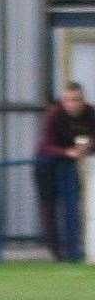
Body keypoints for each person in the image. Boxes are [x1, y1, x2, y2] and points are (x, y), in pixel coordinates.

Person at [35, 81, 95, 261]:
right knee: (49, 209)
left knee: (72, 207)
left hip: (69, 165)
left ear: (83, 100)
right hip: (47, 165)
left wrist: (89, 146)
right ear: (63, 100)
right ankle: (57, 253)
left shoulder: (90, 113)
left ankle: (74, 251)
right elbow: (46, 145)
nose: (73, 104)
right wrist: (67, 152)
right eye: (69, 100)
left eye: (77, 100)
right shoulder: (54, 114)